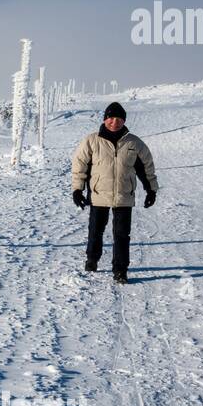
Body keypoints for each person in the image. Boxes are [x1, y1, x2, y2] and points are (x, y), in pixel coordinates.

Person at [69, 101, 158, 284]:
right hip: (98, 194)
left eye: (119, 119)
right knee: (95, 230)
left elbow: (146, 167)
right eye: (111, 118)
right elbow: (80, 165)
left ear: (124, 120)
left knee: (122, 234)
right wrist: (78, 189)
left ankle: (120, 270)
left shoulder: (134, 143)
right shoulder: (92, 141)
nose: (114, 122)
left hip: (124, 195)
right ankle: (92, 259)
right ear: (105, 119)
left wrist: (151, 189)